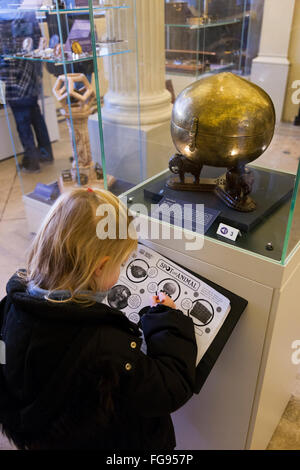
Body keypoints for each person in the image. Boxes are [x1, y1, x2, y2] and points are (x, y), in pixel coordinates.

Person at [0, 188, 197, 450]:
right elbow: (170, 387)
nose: (121, 271)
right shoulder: (105, 346)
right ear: (100, 267)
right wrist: (167, 320)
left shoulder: (12, 304)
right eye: (120, 263)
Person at [0, 8, 54, 173]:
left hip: (14, 81)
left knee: (23, 123)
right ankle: (45, 153)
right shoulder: (27, 14)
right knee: (36, 117)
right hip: (30, 78)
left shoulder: (5, 17)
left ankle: (32, 161)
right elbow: (38, 44)